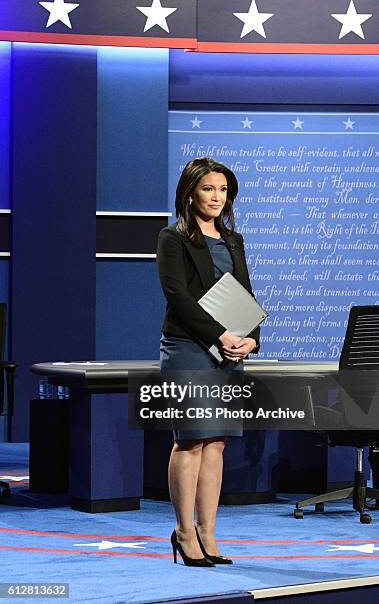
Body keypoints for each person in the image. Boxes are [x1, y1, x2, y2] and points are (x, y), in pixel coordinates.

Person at [156, 157, 260, 567]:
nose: (217, 197)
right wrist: (220, 335)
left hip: (231, 350)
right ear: (190, 193)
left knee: (216, 444)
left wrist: (250, 340)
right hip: (188, 347)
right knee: (191, 440)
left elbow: (245, 295)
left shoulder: (234, 241)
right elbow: (178, 299)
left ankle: (208, 533)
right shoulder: (173, 238)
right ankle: (183, 532)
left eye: (223, 190)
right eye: (208, 189)